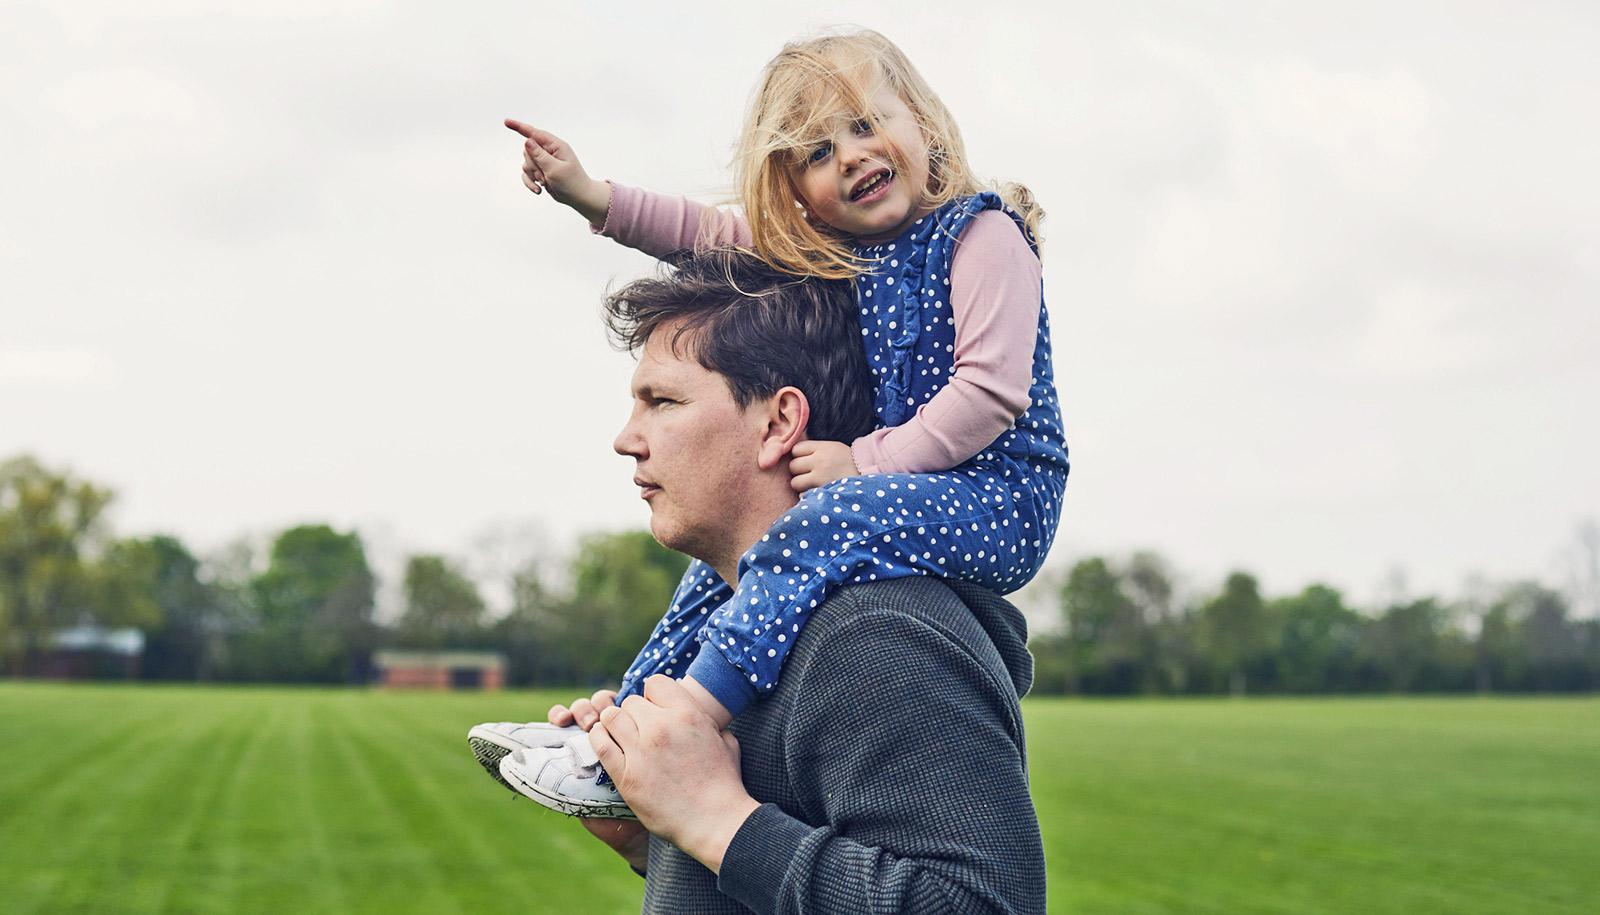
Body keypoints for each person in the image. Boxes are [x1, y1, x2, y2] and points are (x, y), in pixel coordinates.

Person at [474, 27, 1068, 817]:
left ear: (922, 124)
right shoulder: (835, 251)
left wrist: (867, 462)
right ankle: (618, 734)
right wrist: (591, 194)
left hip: (997, 494)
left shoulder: (983, 235)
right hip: (901, 484)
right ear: (794, 187)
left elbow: (992, 395)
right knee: (721, 569)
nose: (850, 155)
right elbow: (704, 236)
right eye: (817, 153)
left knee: (821, 520)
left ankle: (691, 716)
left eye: (864, 124)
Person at [513, 248, 1047, 913]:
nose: (628, 438)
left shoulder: (873, 631)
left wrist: (717, 820)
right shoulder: (748, 623)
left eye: (662, 400)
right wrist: (655, 825)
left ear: (778, 423)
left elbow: (979, 903)